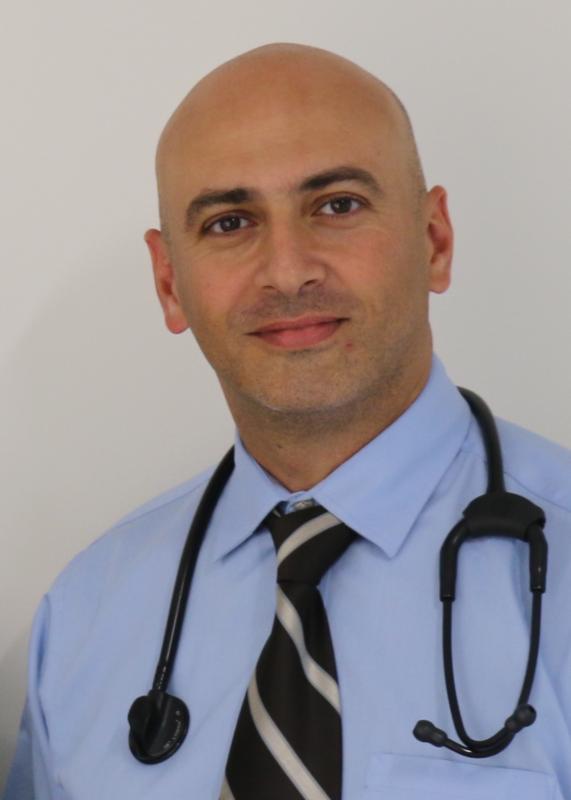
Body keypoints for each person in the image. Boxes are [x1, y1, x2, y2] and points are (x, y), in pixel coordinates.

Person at [4, 42, 571, 800]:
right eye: (229, 222)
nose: (287, 269)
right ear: (169, 282)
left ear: (435, 240)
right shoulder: (84, 616)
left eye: (337, 206)